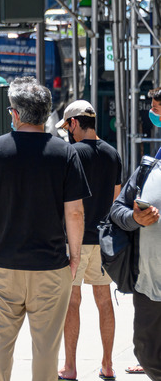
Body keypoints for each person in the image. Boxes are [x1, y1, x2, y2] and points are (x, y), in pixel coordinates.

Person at [0, 76, 90, 381]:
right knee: (47, 348)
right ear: (47, 113)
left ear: (16, 113)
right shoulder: (64, 154)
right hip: (50, 266)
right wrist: (74, 257)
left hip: (5, 264)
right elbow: (75, 213)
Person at [55, 100, 122, 381]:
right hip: (105, 238)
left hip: (75, 238)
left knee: (73, 302)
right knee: (104, 301)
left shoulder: (70, 153)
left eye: (67, 126)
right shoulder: (113, 154)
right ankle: (107, 365)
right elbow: (118, 198)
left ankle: (70, 367)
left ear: (73, 123)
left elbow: (62, 199)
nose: (68, 133)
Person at [109, 95, 161, 381]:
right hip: (149, 284)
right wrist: (134, 218)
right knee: (146, 352)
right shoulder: (149, 166)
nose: (154, 117)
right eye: (154, 111)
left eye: (157, 111)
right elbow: (117, 209)